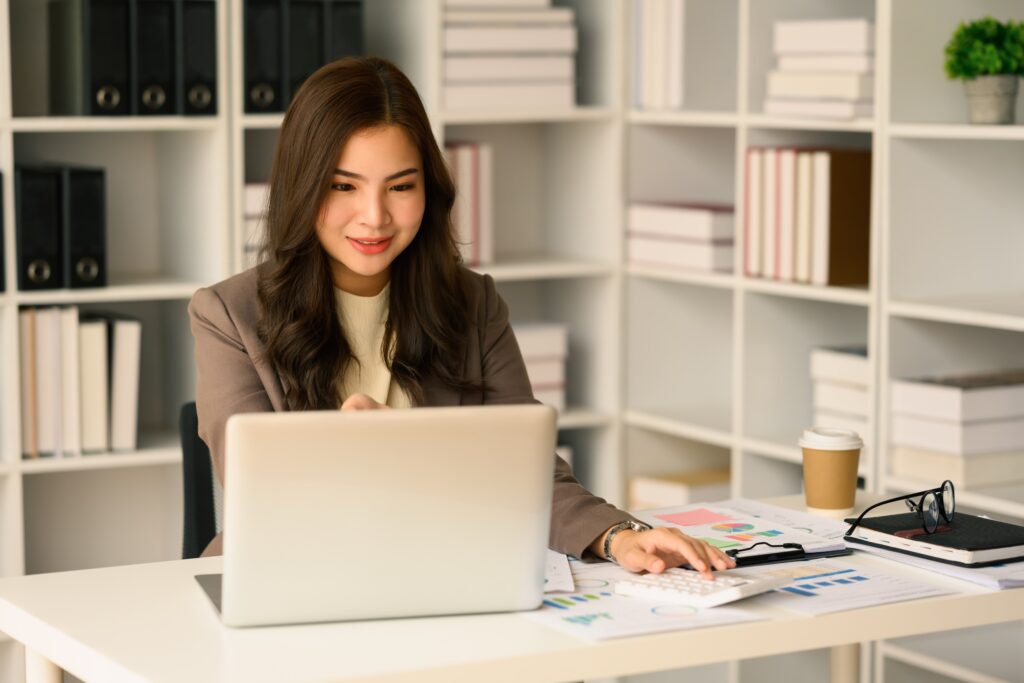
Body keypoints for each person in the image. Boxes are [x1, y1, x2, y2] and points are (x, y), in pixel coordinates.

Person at [188, 56, 735, 578]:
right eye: (343, 186)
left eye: (401, 186)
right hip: (287, 579)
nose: (374, 217)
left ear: (429, 188)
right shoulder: (227, 316)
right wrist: (374, 453)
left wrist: (619, 537)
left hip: (445, 573)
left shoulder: (473, 305)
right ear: (302, 185)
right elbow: (264, 494)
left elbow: (526, 471)